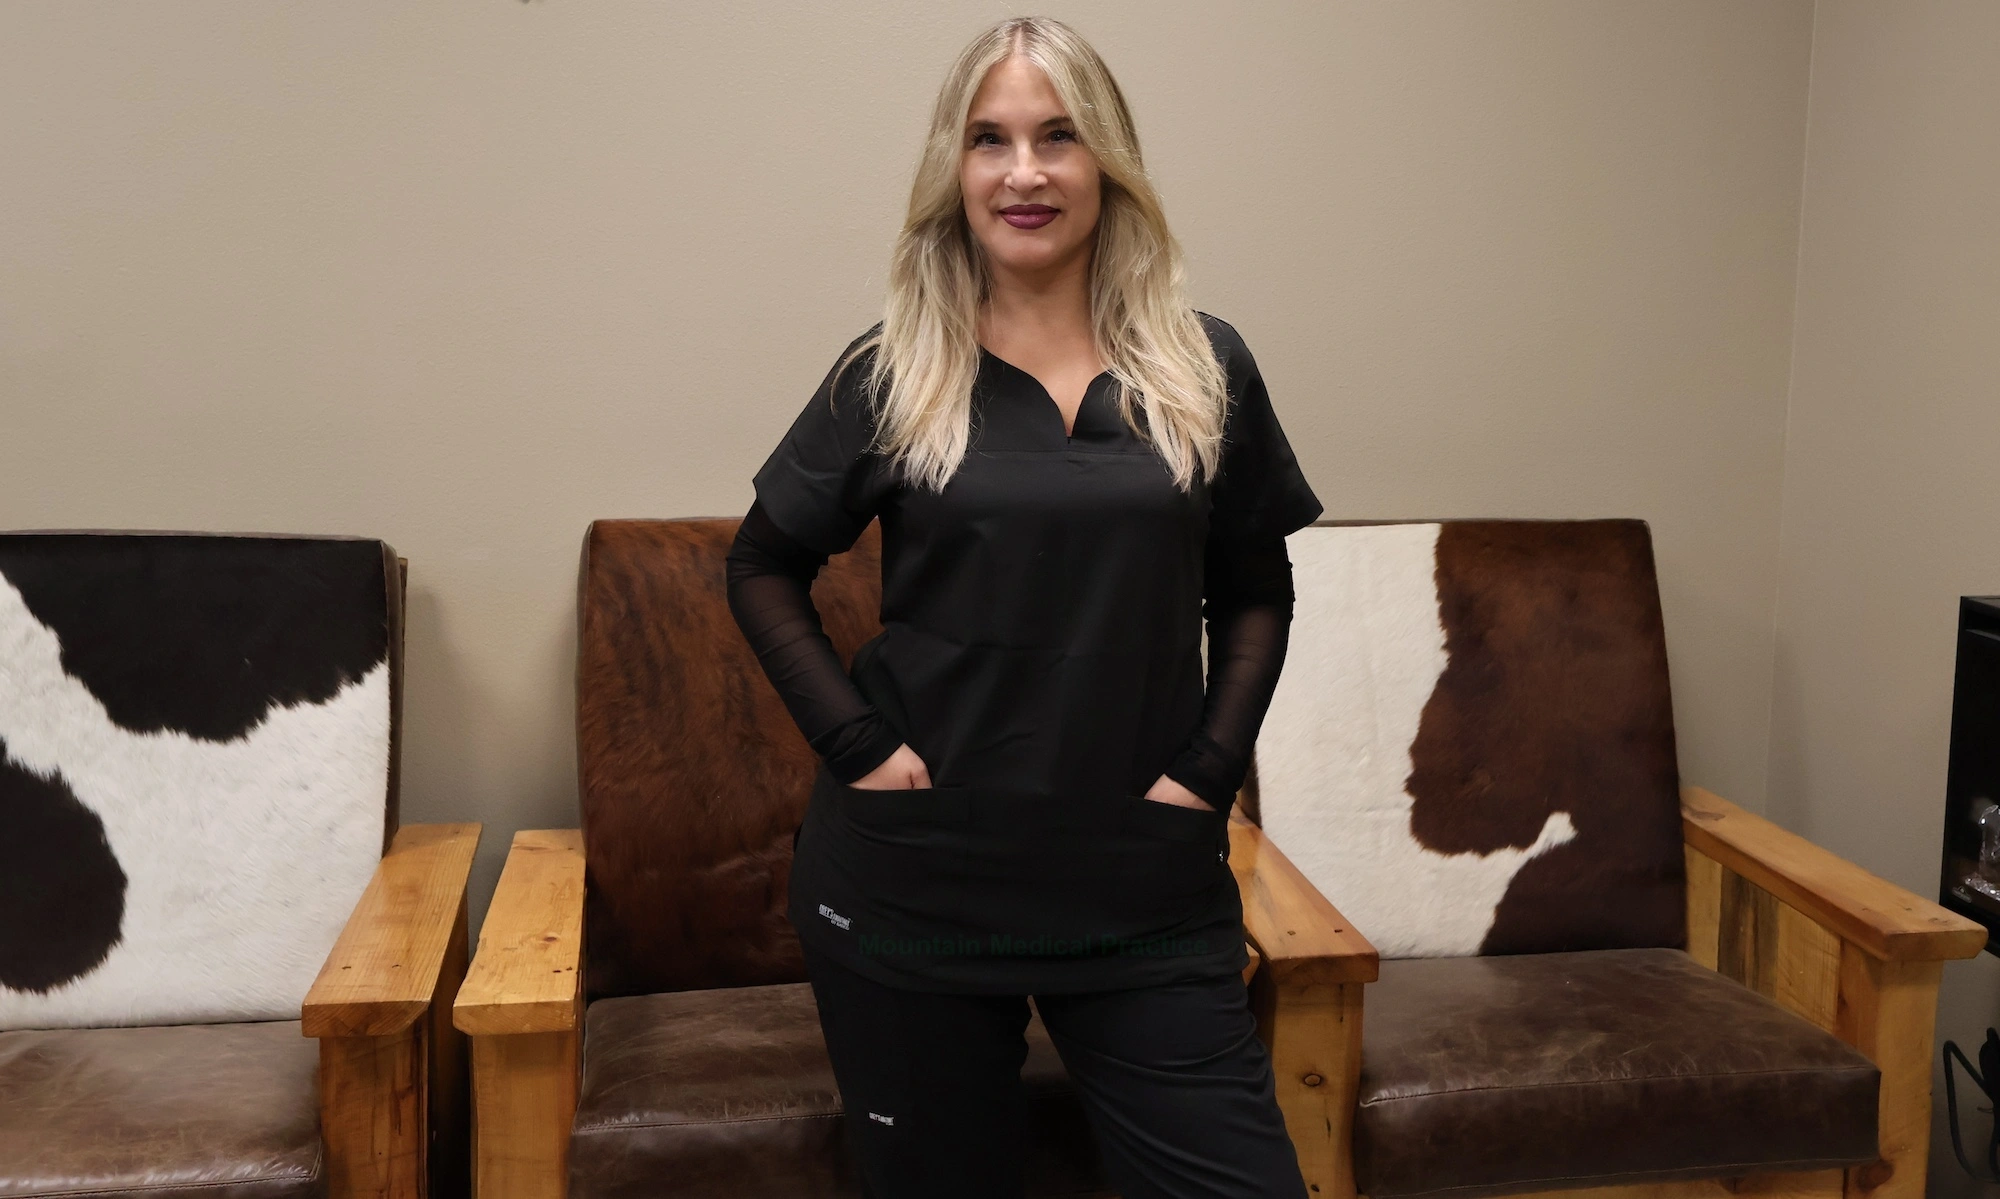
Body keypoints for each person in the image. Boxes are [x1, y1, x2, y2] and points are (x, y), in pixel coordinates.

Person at [724, 15, 1321, 1199]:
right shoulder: (890, 369)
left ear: (1108, 160)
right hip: (915, 886)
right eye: (989, 140)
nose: (1025, 172)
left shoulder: (1205, 369)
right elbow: (760, 564)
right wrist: (856, 742)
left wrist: (1205, 771)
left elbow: (1255, 588)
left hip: (1142, 885)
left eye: (1058, 136)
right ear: (953, 169)